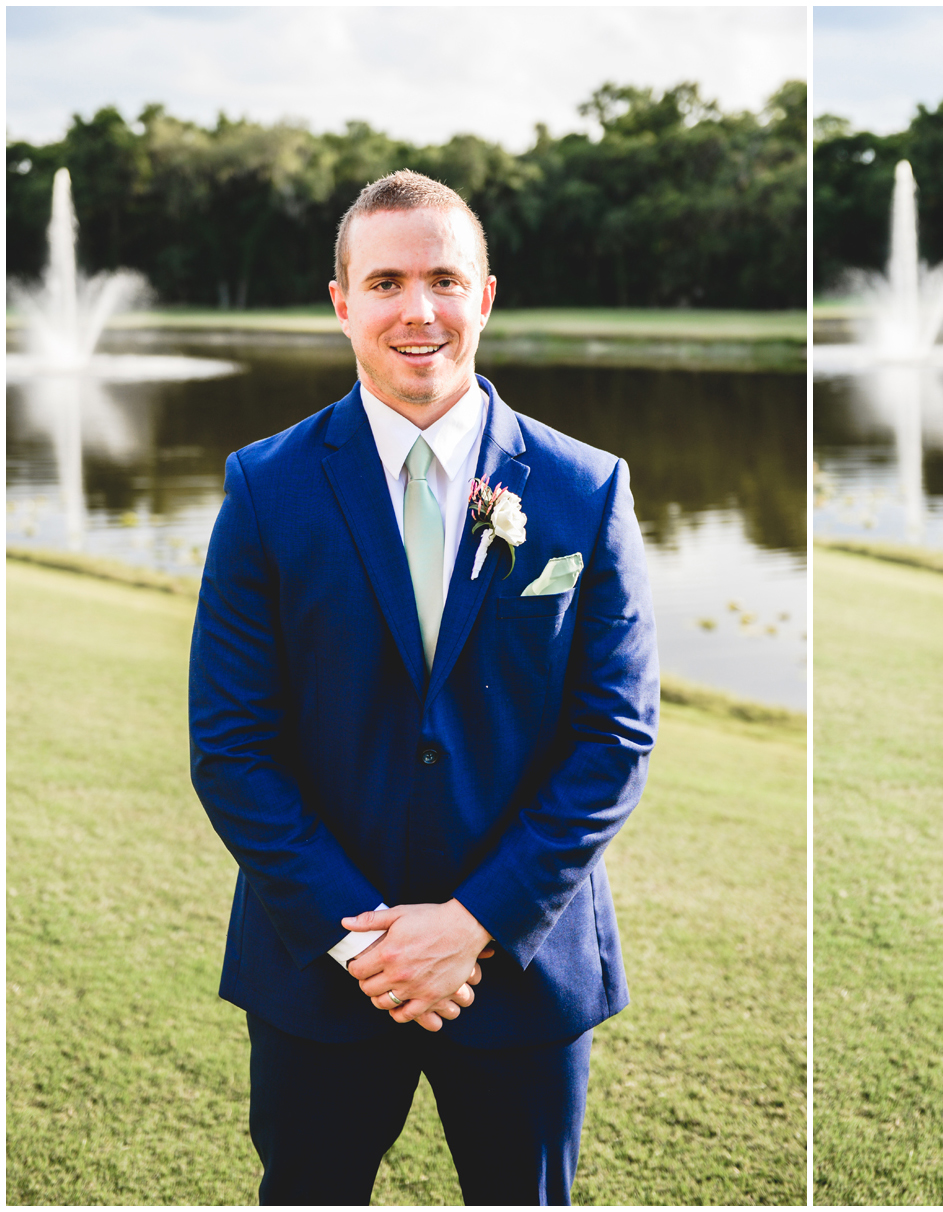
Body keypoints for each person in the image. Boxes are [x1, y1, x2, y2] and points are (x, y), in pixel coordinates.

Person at [189, 169, 658, 1205]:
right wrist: (367, 937)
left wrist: (472, 922)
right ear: (342, 301)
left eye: (444, 278)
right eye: (388, 280)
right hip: (325, 967)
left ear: (485, 295)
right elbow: (231, 746)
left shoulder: (587, 487)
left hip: (524, 966)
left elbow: (615, 737)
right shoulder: (264, 489)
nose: (418, 310)